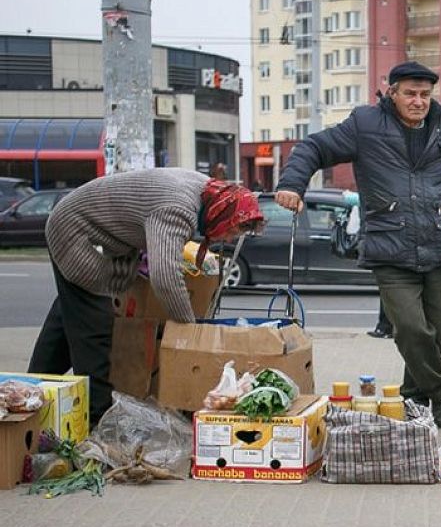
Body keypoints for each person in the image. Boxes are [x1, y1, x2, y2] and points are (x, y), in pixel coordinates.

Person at [274, 61, 441, 428]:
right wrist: (292, 184)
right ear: (391, 92)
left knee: (436, 334)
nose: (419, 101)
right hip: (389, 247)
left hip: (438, 244)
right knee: (409, 328)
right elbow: (312, 147)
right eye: (410, 93)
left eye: (425, 94)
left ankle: (412, 396)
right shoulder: (365, 124)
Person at [27, 168, 264, 425]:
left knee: (72, 309)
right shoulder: (179, 209)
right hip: (76, 233)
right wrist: (191, 330)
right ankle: (98, 423)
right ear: (221, 214)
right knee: (95, 328)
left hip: (93, 231)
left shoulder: (208, 192)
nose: (228, 239)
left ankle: (34, 388)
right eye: (230, 232)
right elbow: (165, 278)